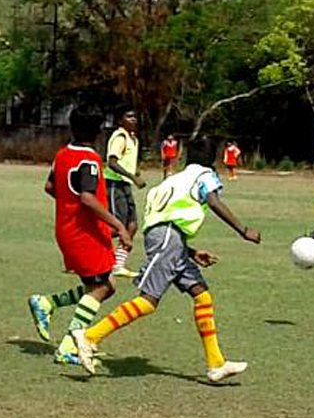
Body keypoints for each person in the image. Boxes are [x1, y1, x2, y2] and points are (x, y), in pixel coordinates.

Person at [72, 135, 261, 383]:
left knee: (202, 295)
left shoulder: (171, 181)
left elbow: (161, 222)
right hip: (169, 239)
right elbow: (213, 200)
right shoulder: (205, 174)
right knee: (148, 301)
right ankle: (90, 336)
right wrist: (243, 230)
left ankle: (216, 364)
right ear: (213, 159)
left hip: (169, 239)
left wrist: (189, 251)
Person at [28, 107, 132, 365]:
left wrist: (69, 205)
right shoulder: (90, 159)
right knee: (102, 287)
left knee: (105, 285)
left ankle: (47, 304)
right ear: (98, 132)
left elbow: (50, 186)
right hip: (83, 233)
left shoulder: (62, 154)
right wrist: (118, 225)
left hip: (69, 229)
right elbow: (87, 197)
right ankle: (68, 347)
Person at [105, 110, 146, 278]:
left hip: (125, 184)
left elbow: (127, 161)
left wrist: (134, 173)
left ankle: (118, 265)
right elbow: (112, 162)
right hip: (114, 183)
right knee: (117, 227)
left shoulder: (133, 138)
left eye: (135, 116)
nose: (133, 119)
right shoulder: (120, 137)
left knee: (132, 226)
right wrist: (133, 177)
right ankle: (83, 252)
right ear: (120, 120)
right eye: (129, 117)